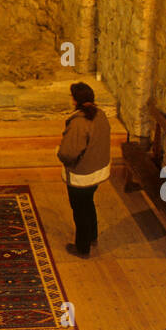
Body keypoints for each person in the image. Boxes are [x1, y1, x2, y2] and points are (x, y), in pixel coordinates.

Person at [57, 82, 111, 259]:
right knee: (88, 203)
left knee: (80, 210)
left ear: (74, 100)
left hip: (82, 173)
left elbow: (68, 152)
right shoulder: (101, 115)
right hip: (97, 168)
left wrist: (60, 154)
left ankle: (82, 247)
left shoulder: (80, 123)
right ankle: (92, 236)